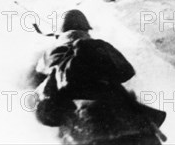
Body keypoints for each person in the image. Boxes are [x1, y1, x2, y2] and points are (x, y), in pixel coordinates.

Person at [31, 10, 166, 145]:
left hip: (84, 131)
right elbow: (127, 72)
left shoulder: (49, 55)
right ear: (86, 29)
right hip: (128, 125)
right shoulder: (99, 46)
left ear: (59, 33)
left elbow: (38, 82)